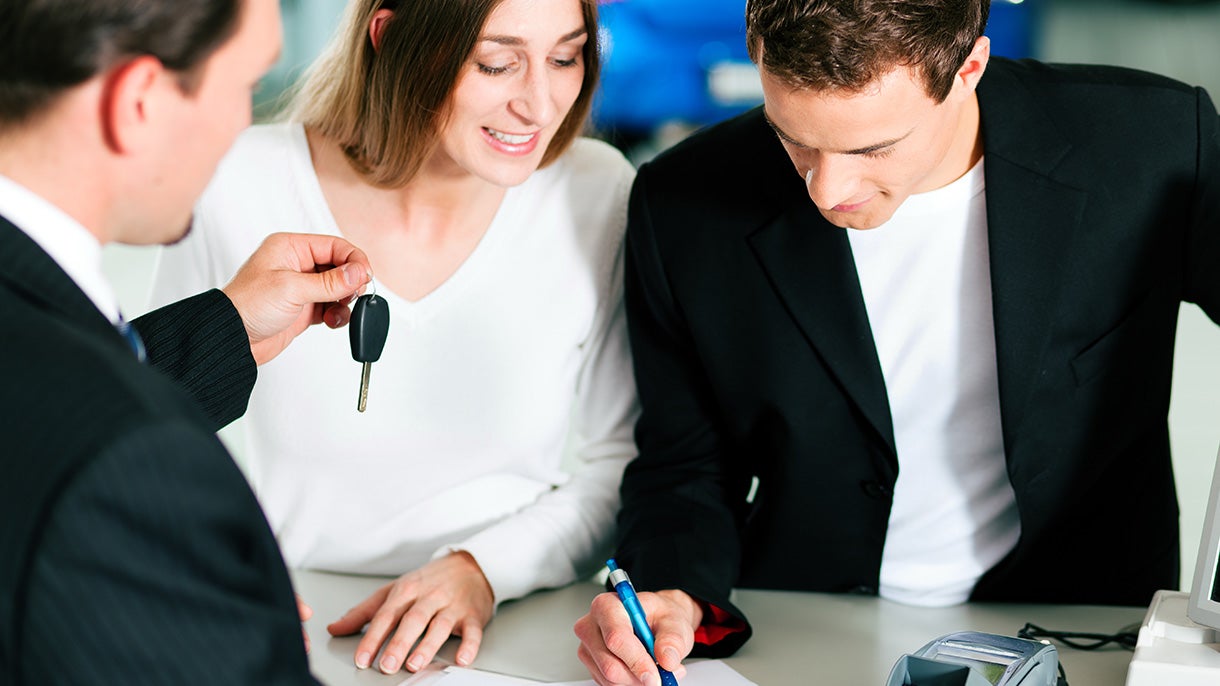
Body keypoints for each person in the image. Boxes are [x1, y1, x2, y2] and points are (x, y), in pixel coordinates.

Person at [572, 0, 1220, 683]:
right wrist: (671, 589)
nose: (827, 189)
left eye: (872, 148)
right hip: (804, 622)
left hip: (1088, 623)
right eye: (791, 136)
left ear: (968, 69)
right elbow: (683, 465)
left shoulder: (1153, 143)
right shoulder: (682, 203)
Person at [149, 0, 638, 675]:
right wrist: (213, 562)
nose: (541, 102)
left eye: (565, 56)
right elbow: (152, 436)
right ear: (392, 37)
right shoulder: (236, 179)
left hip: (512, 623)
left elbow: (622, 463)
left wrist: (484, 570)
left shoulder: (597, 190)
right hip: (292, 609)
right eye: (496, 63)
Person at [0, 0, 376, 683]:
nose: (245, 123)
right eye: (245, 88)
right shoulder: (134, 468)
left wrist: (226, 328)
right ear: (140, 101)